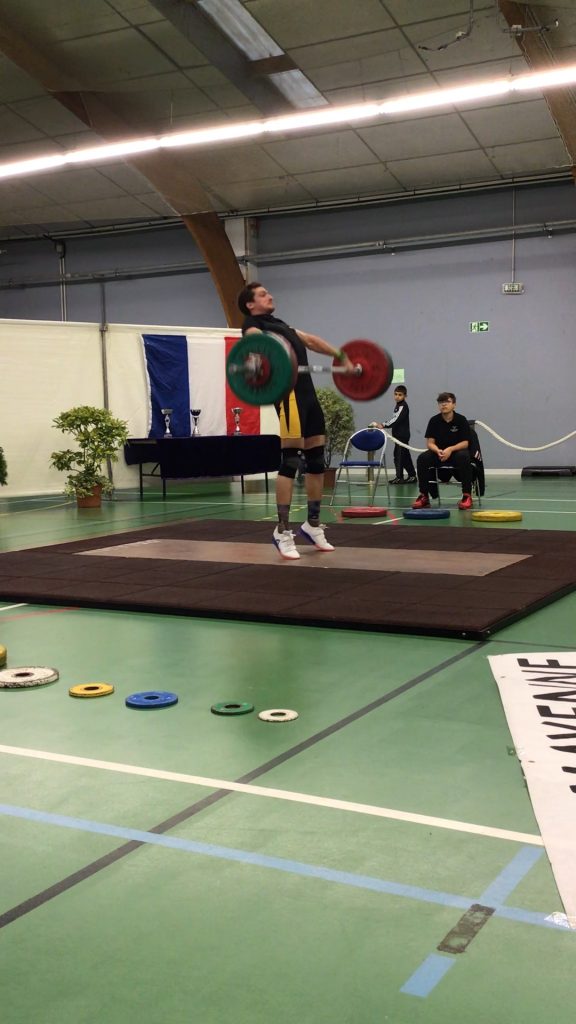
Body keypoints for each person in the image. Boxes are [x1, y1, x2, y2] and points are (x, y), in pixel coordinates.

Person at [238, 282, 355, 560]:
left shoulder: (281, 325)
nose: (270, 296)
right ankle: (282, 530)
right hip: (288, 396)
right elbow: (256, 343)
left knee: (316, 461)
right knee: (291, 461)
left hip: (308, 395)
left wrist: (341, 356)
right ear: (250, 304)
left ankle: (312, 524)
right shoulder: (252, 325)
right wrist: (264, 356)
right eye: (263, 294)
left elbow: (310, 340)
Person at [412, 392, 474, 510]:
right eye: (441, 402)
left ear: (454, 405)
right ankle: (424, 496)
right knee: (422, 458)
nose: (444, 404)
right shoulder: (434, 420)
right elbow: (430, 443)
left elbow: (465, 443)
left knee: (464, 457)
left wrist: (450, 449)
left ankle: (467, 495)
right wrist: (438, 451)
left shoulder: (461, 420)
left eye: (447, 402)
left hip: (456, 453)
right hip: (439, 453)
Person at [374, 385, 416, 484]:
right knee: (405, 456)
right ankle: (412, 476)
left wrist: (383, 424)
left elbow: (396, 420)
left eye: (400, 395)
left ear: (405, 396)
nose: (397, 396)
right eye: (395, 394)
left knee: (398, 457)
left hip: (402, 436)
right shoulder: (398, 405)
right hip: (399, 435)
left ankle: (399, 477)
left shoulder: (403, 406)